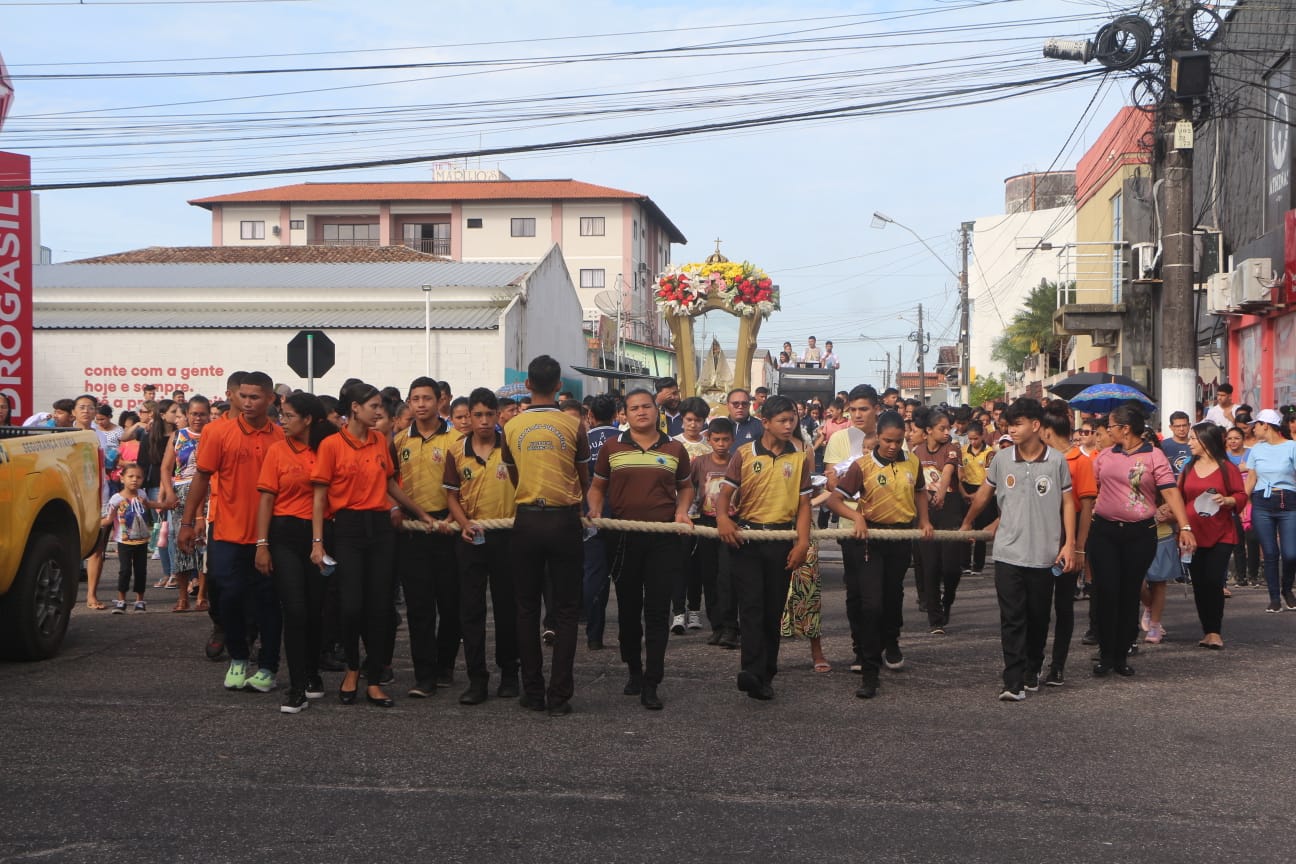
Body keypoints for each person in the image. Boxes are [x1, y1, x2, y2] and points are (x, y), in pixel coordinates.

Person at [312, 381, 436, 708]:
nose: (380, 412)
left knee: (380, 608)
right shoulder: (331, 445)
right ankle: (352, 668)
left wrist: (419, 512)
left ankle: (376, 679)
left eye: (381, 406)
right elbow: (320, 496)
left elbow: (390, 483)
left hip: (381, 530)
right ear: (355, 407)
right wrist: (318, 543)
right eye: (374, 406)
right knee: (351, 606)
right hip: (347, 529)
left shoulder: (380, 441)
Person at [178, 371, 287, 694]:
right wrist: (188, 522)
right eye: (243, 396)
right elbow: (201, 477)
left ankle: (267, 666)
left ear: (271, 400)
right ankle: (238, 657)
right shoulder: (216, 432)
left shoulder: (281, 437)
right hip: (225, 530)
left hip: (269, 534)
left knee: (268, 602)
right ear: (234, 397)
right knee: (228, 596)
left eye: (256, 397)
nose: (248, 403)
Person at [961, 399, 1075, 701]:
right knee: (1012, 617)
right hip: (1007, 552)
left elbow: (1068, 503)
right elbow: (985, 493)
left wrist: (1070, 544)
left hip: (1043, 554)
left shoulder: (1056, 461)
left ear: (1035, 425)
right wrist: (968, 524)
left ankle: (1032, 668)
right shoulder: (1001, 459)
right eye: (1009, 424)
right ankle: (1012, 680)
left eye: (1018, 423)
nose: (1011, 429)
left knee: (1037, 617)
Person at [587, 389, 693, 710]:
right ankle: (634, 671)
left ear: (655, 410)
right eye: (634, 408)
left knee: (658, 611)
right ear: (625, 414)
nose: (641, 412)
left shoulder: (675, 448)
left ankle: (652, 680)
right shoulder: (611, 447)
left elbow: (686, 487)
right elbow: (597, 487)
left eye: (646, 406)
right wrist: (594, 512)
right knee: (629, 610)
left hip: (663, 537)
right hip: (623, 537)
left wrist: (681, 511)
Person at [502, 355, 591, 716]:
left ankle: (533, 691)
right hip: (563, 520)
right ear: (558, 386)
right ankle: (559, 695)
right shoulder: (573, 425)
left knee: (526, 608)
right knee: (567, 611)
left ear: (527, 385)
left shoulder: (510, 426)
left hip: (525, 520)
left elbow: (513, 473)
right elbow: (583, 477)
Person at [825, 410, 932, 699]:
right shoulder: (862, 466)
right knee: (871, 604)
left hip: (900, 538)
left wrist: (924, 520)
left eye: (898, 441)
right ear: (877, 438)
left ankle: (891, 640)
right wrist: (856, 516)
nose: (893, 447)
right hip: (870, 539)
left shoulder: (912, 462)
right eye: (887, 441)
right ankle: (869, 671)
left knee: (893, 597)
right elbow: (835, 500)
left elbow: (920, 491)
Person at [716, 395, 812, 701]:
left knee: (772, 610)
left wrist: (802, 542)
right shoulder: (743, 454)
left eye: (792, 420)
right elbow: (725, 493)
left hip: (781, 540)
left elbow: (805, 505)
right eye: (782, 421)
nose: (788, 426)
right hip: (748, 538)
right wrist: (722, 519)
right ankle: (751, 672)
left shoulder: (800, 458)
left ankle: (767, 672)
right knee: (752, 607)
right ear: (765, 422)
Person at [1088, 405, 1195, 676]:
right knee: (1106, 590)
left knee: (1128, 592)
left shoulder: (1154, 456)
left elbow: (1171, 493)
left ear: (1125, 429)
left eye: (1110, 426)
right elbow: (1095, 488)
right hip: (1104, 532)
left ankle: (1122, 653)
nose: (1106, 431)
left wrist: (1184, 526)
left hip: (1139, 534)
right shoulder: (1104, 456)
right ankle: (1106, 653)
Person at [253, 392, 338, 714]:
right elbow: (266, 500)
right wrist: (262, 544)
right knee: (296, 609)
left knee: (317, 610)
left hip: (323, 535)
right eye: (281, 415)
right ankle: (297, 686)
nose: (282, 421)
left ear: (308, 419)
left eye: (288, 415)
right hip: (285, 534)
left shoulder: (327, 448)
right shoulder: (277, 451)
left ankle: (313, 673)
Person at [444, 388, 520, 705]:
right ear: (469, 417)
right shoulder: (457, 451)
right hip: (471, 537)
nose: (484, 421)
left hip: (506, 536)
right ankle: (477, 679)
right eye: (478, 415)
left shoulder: (511, 448)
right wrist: (463, 524)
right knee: (471, 611)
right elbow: (451, 495)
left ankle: (510, 674)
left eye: (490, 414)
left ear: (498, 415)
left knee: (507, 609)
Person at [393, 377, 464, 696]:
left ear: (440, 402)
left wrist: (454, 517)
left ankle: (444, 665)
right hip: (412, 529)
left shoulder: (457, 439)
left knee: (450, 604)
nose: (420, 404)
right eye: (415, 399)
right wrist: (394, 508)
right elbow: (389, 482)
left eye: (426, 398)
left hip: (448, 526)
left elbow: (469, 483)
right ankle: (424, 675)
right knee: (419, 606)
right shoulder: (398, 441)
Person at [1036, 401, 1096, 686]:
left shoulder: (1080, 461)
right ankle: (1033, 661)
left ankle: (1057, 665)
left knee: (1063, 605)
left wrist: (1079, 546)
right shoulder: (1039, 459)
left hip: (1067, 542)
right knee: (1036, 605)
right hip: (1037, 541)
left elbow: (1085, 506)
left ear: (1047, 432)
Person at [1179, 423, 1246, 649]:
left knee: (1213, 580)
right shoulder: (1188, 468)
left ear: (1207, 441)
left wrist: (1228, 501)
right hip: (1192, 535)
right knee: (1198, 583)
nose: (1189, 443)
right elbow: (1178, 497)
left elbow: (1240, 495)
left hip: (1222, 533)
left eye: (1194, 439)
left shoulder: (1227, 467)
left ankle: (1215, 631)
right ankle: (1206, 630)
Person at [912, 407, 965, 633]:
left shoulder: (952, 449)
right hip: (925, 510)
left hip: (950, 507)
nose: (947, 432)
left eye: (948, 428)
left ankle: (948, 598)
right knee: (930, 565)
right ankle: (935, 619)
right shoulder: (916, 452)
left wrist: (941, 494)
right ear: (929, 430)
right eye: (942, 428)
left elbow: (947, 473)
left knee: (952, 567)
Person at [159, 396, 211, 611]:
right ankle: (182, 596)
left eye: (202, 414)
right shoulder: (178, 436)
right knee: (181, 545)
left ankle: (201, 594)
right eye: (194, 414)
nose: (198, 418)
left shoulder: (212, 435)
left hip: (208, 492)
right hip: (181, 491)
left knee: (204, 544)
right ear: (187, 414)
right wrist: (169, 493)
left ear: (208, 415)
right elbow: (165, 468)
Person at [691, 417, 737, 647]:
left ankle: (731, 627)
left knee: (727, 578)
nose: (721, 443)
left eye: (725, 439)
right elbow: (687, 488)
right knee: (708, 577)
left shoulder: (737, 463)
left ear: (732, 439)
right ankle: (716, 626)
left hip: (731, 524)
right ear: (708, 439)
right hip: (706, 524)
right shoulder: (699, 463)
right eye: (716, 439)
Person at [1244, 408, 1296, 613]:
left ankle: (1287, 589)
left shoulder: (1292, 446)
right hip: (1262, 503)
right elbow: (1250, 479)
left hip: (1289, 501)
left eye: (1255, 425)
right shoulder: (1256, 449)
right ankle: (1274, 597)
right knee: (1270, 552)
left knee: (1291, 553)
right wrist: (1241, 503)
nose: (1253, 429)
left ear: (1265, 425)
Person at [582, 395, 620, 651]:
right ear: (616, 416)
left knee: (594, 576)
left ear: (590, 417)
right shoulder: (623, 441)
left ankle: (594, 635)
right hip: (622, 517)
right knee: (626, 577)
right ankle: (628, 633)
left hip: (590, 516)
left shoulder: (582, 441)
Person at [105, 463, 167, 614]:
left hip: (141, 540)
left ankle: (140, 600)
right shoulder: (116, 499)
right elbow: (109, 519)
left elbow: (150, 505)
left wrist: (166, 505)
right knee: (125, 570)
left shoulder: (142, 494)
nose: (134, 480)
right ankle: (121, 600)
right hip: (124, 541)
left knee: (141, 571)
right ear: (122, 478)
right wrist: (93, 523)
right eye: (130, 476)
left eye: (138, 477)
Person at [960, 420, 995, 577]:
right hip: (966, 489)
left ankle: (978, 564)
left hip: (983, 490)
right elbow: (959, 474)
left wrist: (978, 494)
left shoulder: (990, 453)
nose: (973, 442)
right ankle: (965, 562)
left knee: (981, 528)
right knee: (967, 526)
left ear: (982, 436)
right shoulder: (963, 451)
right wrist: (965, 494)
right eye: (970, 438)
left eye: (976, 438)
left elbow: (989, 477)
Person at [1225, 426, 1259, 587]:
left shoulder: (1252, 453)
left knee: (1252, 540)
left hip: (1252, 502)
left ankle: (1253, 575)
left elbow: (1256, 475)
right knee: (1237, 542)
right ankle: (1241, 576)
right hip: (1232, 504)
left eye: (1236, 438)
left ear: (1243, 439)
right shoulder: (1224, 457)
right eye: (1230, 438)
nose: (1233, 441)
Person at [1161, 411, 1193, 476]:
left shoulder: (1196, 444)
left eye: (1184, 425)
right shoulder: (1163, 446)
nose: (1181, 429)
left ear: (1189, 425)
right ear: (1171, 427)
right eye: (1177, 426)